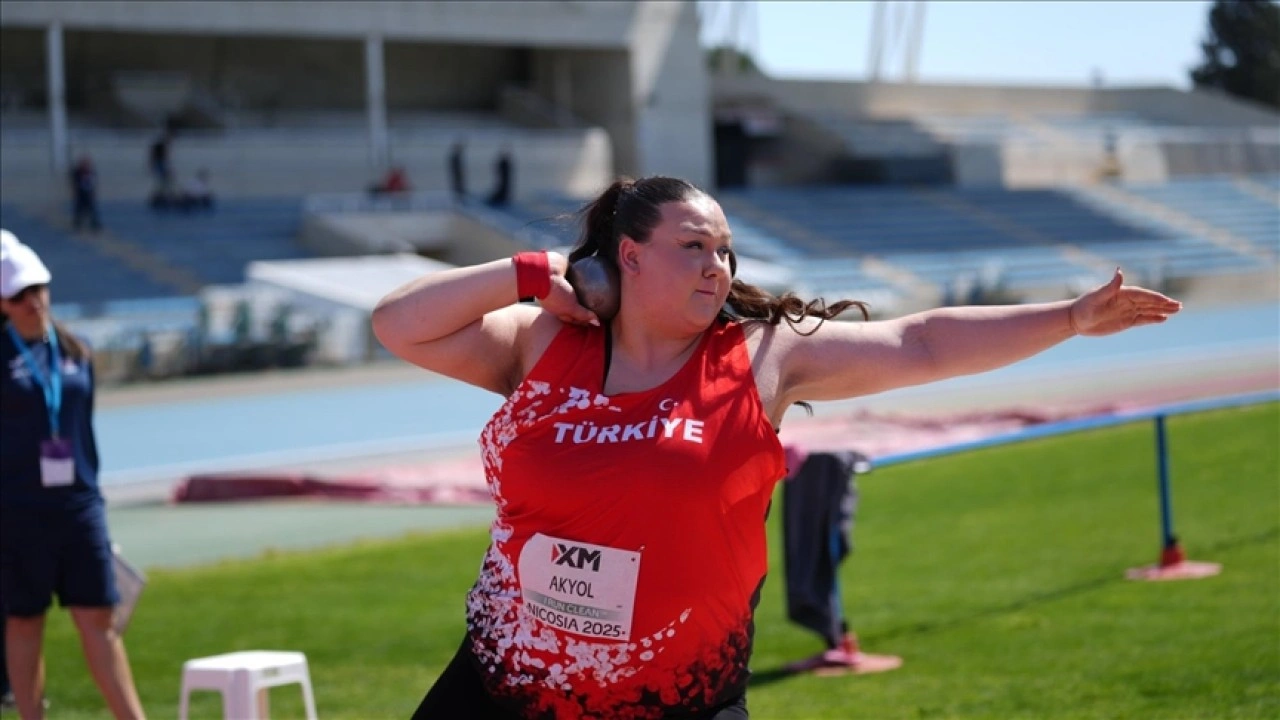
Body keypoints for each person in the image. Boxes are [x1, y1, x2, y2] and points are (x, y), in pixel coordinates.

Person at [371, 176, 1181, 719]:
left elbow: (921, 343)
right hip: (508, 683)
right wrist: (530, 270)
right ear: (626, 256)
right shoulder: (546, 342)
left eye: (725, 249)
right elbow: (398, 324)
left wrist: (1068, 318)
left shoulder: (761, 358)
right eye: (693, 246)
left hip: (676, 698)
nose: (717, 266)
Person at [0, 230, 147, 720]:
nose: (33, 301)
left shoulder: (73, 350)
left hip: (78, 507)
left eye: (38, 288)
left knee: (100, 619)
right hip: (17, 511)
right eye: (19, 295)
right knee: (24, 623)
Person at [69, 155, 102, 233]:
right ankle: (77, 223)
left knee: (91, 209)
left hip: (88, 193)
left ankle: (94, 223)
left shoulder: (91, 172)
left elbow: (93, 182)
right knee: (79, 209)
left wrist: (93, 192)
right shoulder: (77, 172)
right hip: (81, 194)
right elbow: (75, 183)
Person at [448, 139, 467, 204]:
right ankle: (459, 202)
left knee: (458, 189)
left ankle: (459, 201)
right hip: (457, 177)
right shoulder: (455, 157)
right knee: (458, 189)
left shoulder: (455, 157)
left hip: (457, 177)